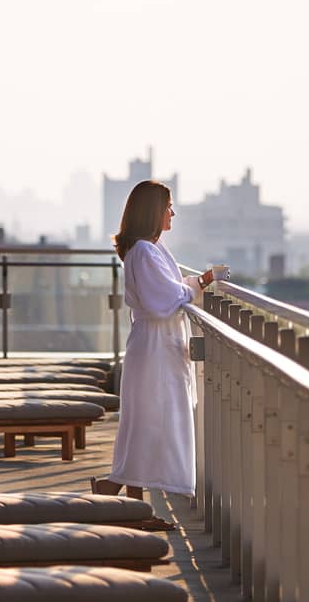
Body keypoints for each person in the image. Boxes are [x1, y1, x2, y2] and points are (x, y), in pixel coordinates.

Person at [91, 180, 219, 519]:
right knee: (150, 424)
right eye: (168, 206)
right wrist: (200, 285)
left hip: (153, 346)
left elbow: (170, 290)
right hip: (155, 349)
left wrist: (194, 285)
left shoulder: (146, 249)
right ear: (153, 210)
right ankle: (118, 494)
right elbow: (164, 299)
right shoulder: (145, 252)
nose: (172, 212)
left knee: (144, 423)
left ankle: (128, 503)